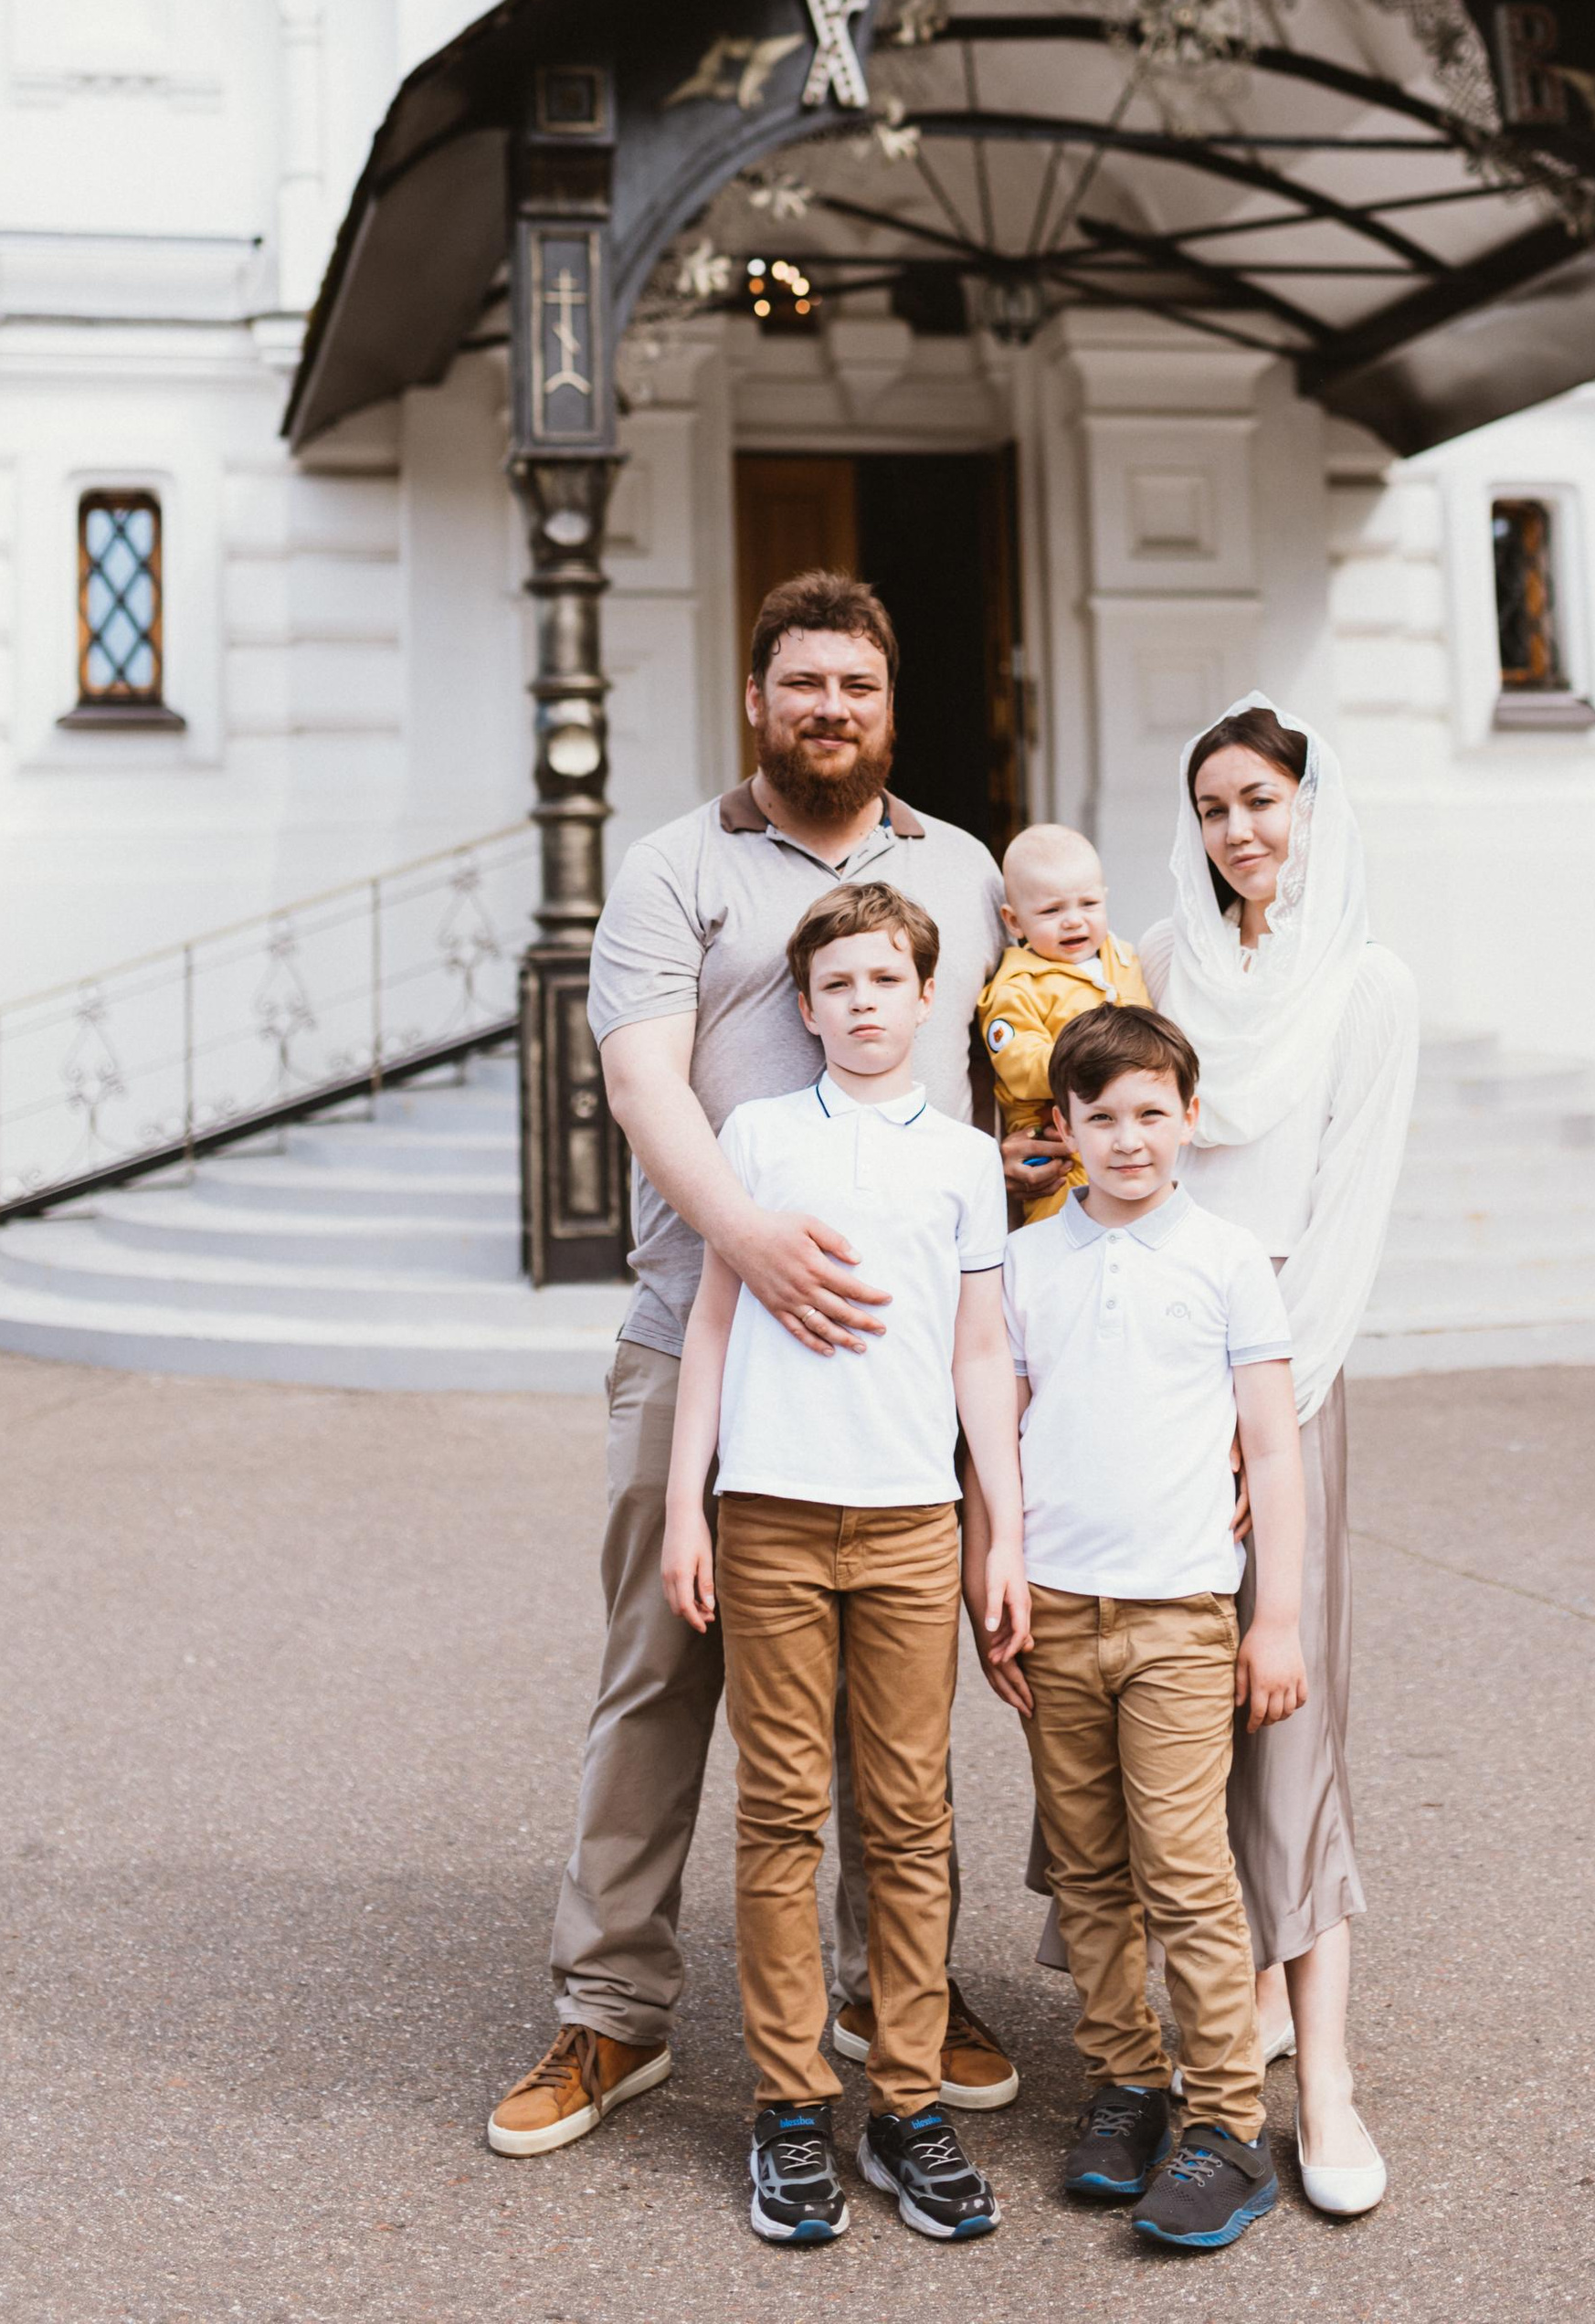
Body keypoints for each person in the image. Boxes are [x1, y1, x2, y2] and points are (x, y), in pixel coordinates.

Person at [487, 572, 1019, 2158]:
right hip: (694, 1333)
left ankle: (883, 1991)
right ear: (757, 700)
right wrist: (754, 1240)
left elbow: (1016, 1079)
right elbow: (645, 1084)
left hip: (894, 1371)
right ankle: (610, 2014)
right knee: (661, 1679)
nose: (830, 711)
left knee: (886, 1698)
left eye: (856, 685)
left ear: (889, 703)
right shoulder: (672, 868)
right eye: (803, 686)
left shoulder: (967, 872)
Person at [661, 883, 1028, 2245]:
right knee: (779, 1815)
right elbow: (709, 1329)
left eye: (887, 980)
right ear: (804, 1009)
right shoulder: (754, 1136)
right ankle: (788, 2109)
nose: (864, 1003)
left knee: (911, 1815)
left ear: (926, 999)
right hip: (768, 1510)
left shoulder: (964, 1160)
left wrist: (1005, 1525)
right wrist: (682, 1508)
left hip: (910, 1519)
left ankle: (910, 2106)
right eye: (839, 986)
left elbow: (980, 1354)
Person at [1141, 694, 1417, 2221]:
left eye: (1264, 800)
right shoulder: (1171, 965)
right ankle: (1199, 2039)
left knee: (1288, 1706)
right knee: (1165, 1690)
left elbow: (1349, 1223)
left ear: (1314, 804)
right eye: (1215, 809)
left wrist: (1272, 1432)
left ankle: (1328, 2081)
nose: (1240, 831)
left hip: (1284, 1371)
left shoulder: (1368, 987)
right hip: (1154, 1369)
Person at [972, 1001, 1306, 2255]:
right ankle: (1126, 2082)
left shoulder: (1225, 1257)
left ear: (1189, 1120)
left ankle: (1225, 2124)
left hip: (1177, 1611)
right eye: (1098, 1117)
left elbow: (1269, 1449)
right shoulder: (1024, 1262)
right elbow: (991, 1440)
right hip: (1055, 1609)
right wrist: (989, 1581)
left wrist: (1274, 1620)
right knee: (1089, 1868)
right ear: (1057, 1129)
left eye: (1150, 1113)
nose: (1126, 1138)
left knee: (1183, 1867)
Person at [974, 824, 1153, 1227]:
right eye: (1052, 911)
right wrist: (1103, 1059)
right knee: (1063, 1243)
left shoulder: (1122, 958)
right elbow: (1020, 1066)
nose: (1073, 921)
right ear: (1014, 922)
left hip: (1130, 1136)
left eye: (1088, 904)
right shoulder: (1015, 986)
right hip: (1059, 1154)